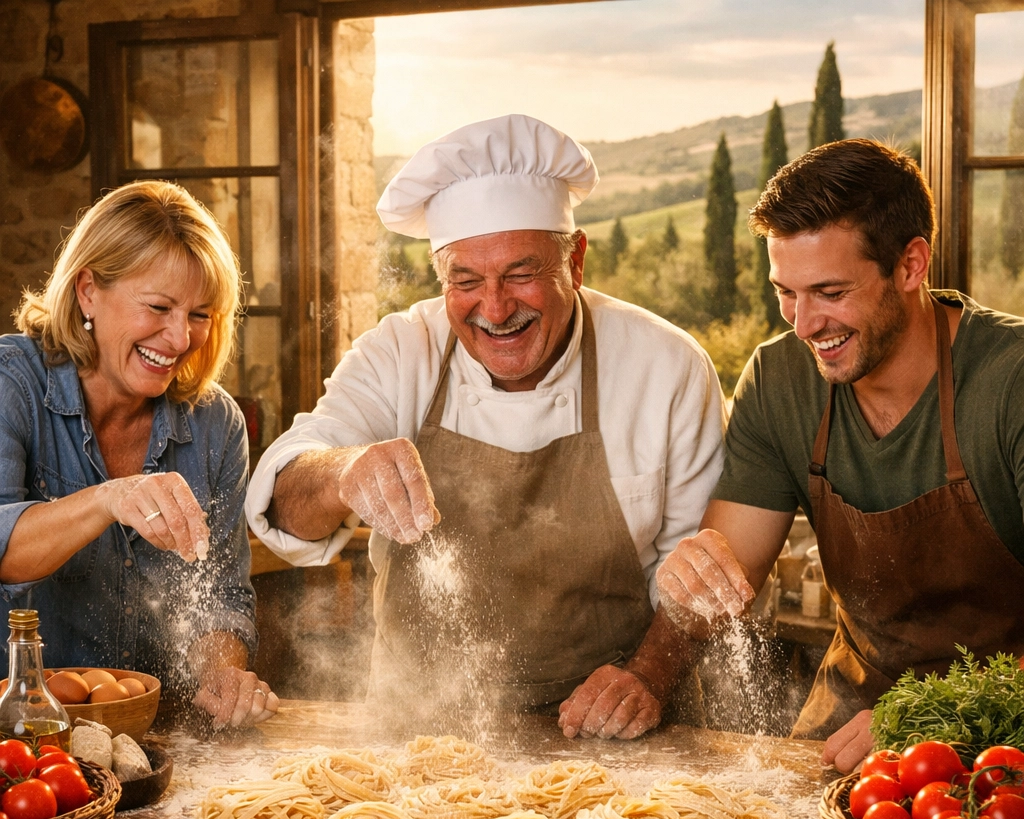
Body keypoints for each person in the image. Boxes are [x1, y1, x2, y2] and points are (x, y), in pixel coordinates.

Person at [246, 114, 725, 739]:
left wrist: (649, 676)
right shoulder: (401, 352)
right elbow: (285, 498)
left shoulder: (667, 367)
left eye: (521, 274)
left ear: (576, 260)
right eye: (465, 281)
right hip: (419, 732)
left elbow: (699, 574)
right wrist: (343, 471)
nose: (495, 309)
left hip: (609, 729)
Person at [657, 139, 1024, 771]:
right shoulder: (779, 379)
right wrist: (647, 669)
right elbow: (725, 574)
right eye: (786, 292)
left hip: (1007, 736)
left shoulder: (1011, 381)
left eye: (829, 292)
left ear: (911, 266)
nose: (803, 325)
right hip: (844, 729)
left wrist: (924, 715)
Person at [0, 180, 279, 731]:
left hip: (159, 733)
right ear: (88, 291)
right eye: (158, 307)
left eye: (200, 314)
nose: (180, 339)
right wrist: (110, 498)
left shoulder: (216, 424)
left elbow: (220, 598)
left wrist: (221, 672)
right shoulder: (13, 384)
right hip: (22, 739)